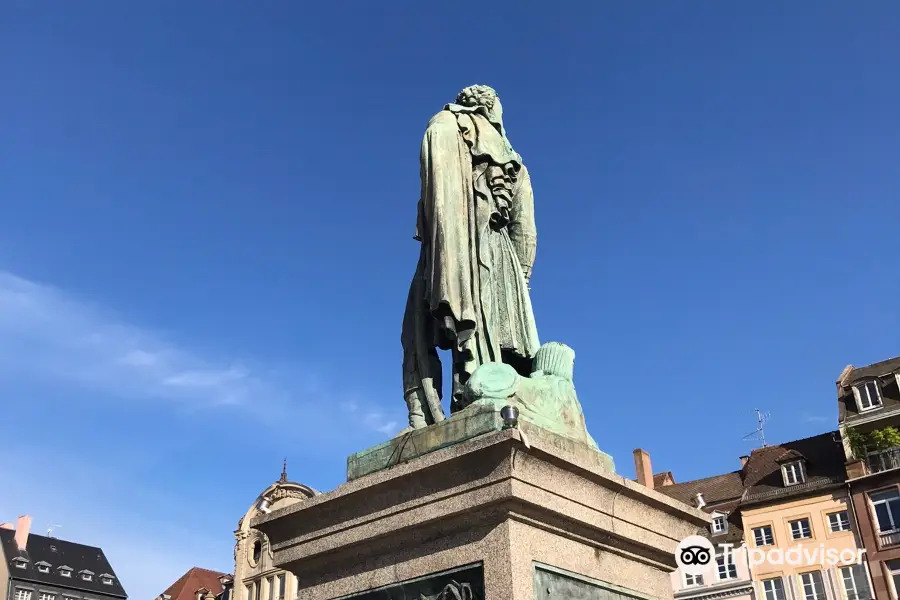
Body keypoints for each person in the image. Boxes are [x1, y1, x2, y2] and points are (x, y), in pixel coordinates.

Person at [401, 85, 540, 431]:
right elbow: (526, 229)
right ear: (493, 111)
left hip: (442, 253)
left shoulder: (441, 125)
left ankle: (437, 411)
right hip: (494, 252)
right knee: (486, 337)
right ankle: (467, 406)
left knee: (418, 331)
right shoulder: (513, 162)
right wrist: (522, 279)